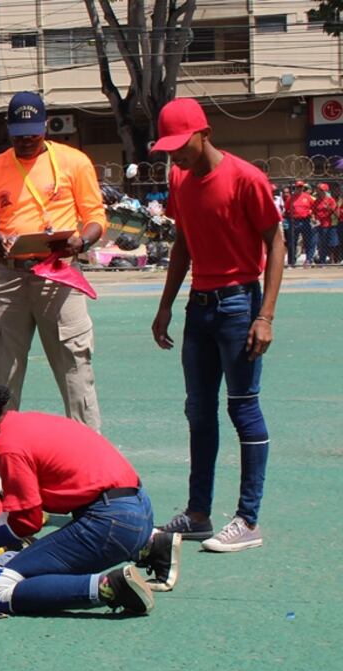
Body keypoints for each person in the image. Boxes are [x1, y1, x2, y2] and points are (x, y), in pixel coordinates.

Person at [149, 98, 285, 552]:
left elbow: (275, 241)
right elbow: (183, 245)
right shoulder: (180, 180)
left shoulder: (246, 178)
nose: (175, 156)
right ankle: (198, 514)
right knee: (199, 411)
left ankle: (248, 519)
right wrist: (166, 305)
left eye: (180, 145)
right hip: (199, 308)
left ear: (203, 132)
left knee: (243, 409)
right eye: (168, 150)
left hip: (239, 306)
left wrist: (264, 315)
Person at [0, 383, 178, 616]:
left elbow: (25, 524)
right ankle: (152, 545)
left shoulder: (8, 448)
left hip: (112, 524)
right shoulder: (25, 422)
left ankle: (110, 588)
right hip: (139, 510)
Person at [0, 91, 105, 431]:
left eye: (33, 130)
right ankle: (2, 458)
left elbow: (95, 217)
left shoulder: (74, 163)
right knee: (1, 374)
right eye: (19, 133)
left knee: (75, 369)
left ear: (46, 125)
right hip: (10, 278)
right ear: (9, 129)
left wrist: (82, 241)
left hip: (59, 275)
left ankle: (90, 458)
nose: (27, 139)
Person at [287, 181, 314, 266]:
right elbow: (286, 208)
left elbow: (313, 207)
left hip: (305, 221)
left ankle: (308, 260)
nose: (300, 188)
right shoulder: (291, 198)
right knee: (292, 242)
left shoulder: (308, 197)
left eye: (301, 187)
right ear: (295, 187)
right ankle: (292, 261)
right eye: (298, 187)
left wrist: (311, 214)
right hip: (294, 221)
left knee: (308, 241)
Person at [312, 183, 337, 264]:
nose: (318, 192)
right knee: (321, 243)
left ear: (324, 191)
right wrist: (313, 218)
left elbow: (334, 211)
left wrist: (328, 207)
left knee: (330, 243)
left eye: (320, 190)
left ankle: (331, 259)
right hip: (318, 224)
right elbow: (313, 211)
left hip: (328, 224)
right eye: (318, 190)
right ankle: (322, 260)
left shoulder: (330, 200)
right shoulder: (317, 201)